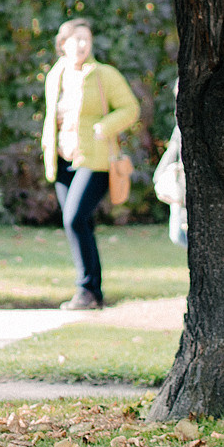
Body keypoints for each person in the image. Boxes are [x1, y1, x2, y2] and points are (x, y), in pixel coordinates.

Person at [39, 18, 138, 311]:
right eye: (76, 39)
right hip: (61, 158)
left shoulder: (103, 74)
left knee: (74, 219)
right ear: (63, 43)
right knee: (80, 224)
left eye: (87, 40)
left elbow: (131, 108)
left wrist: (104, 127)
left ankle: (86, 289)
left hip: (94, 159)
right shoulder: (55, 76)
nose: (82, 45)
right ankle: (92, 292)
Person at [152, 118, 187, 249]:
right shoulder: (181, 127)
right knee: (177, 235)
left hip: (186, 190)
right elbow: (174, 147)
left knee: (179, 235)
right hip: (179, 189)